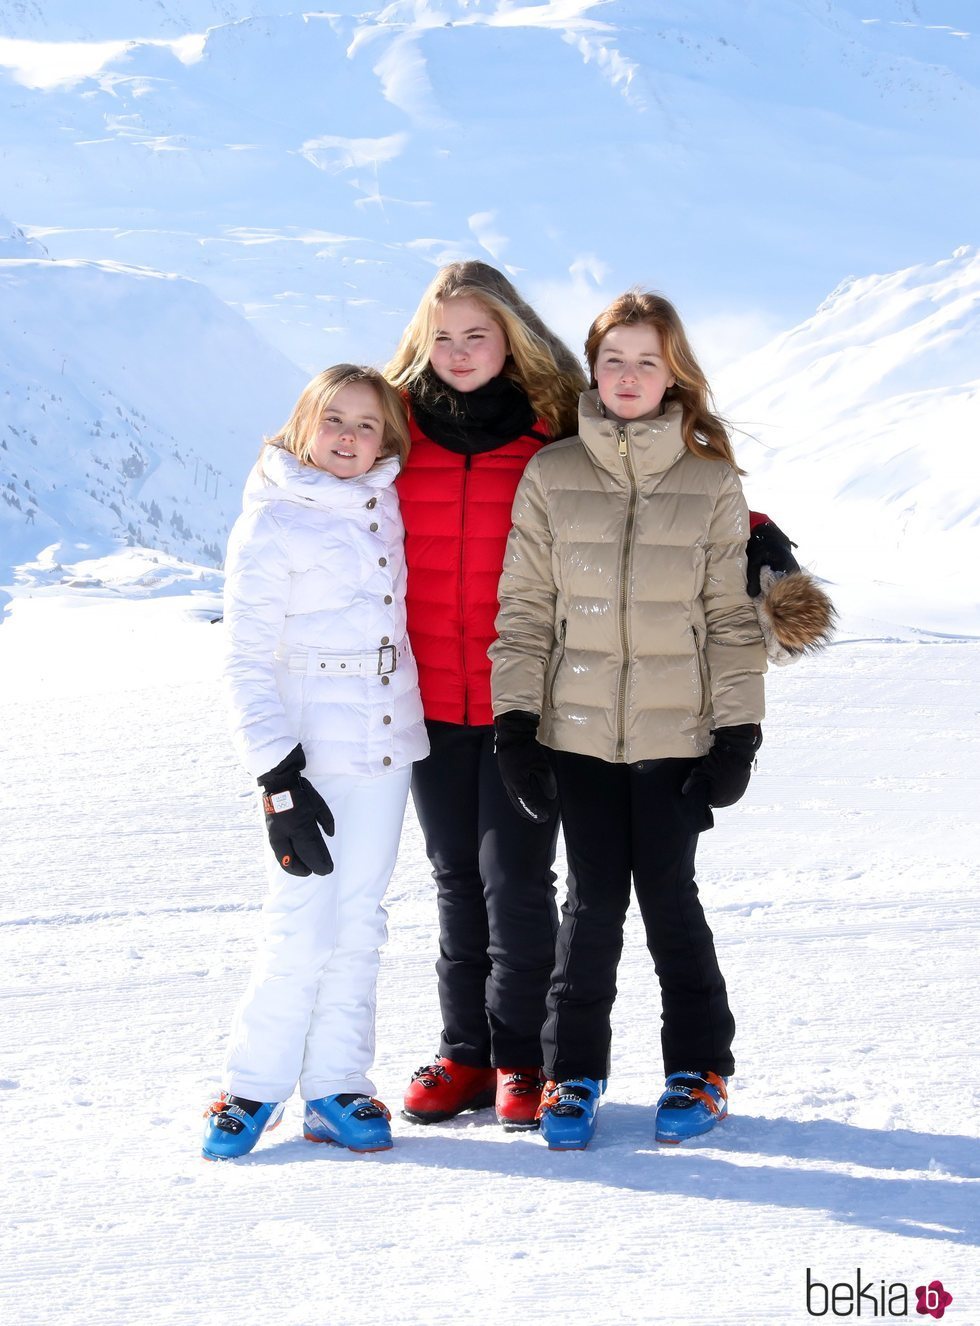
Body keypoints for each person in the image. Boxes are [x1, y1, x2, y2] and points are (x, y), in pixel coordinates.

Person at [489, 290, 769, 1150]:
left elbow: (730, 619)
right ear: (593, 368)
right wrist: (516, 723)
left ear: (673, 372)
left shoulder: (712, 482)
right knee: (592, 903)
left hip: (676, 737)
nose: (629, 376)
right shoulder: (553, 474)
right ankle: (572, 1074)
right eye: (613, 359)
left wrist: (738, 733)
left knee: (668, 900)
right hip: (574, 735)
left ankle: (700, 1067)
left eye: (648, 360)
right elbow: (526, 610)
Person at [202, 364, 428, 1160]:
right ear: (303, 422)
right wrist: (277, 778)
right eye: (334, 419)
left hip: (387, 736)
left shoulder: (392, 504)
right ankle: (254, 1085)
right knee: (301, 918)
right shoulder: (271, 521)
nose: (349, 437)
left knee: (361, 915)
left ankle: (337, 1086)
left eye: (368, 425)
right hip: (308, 748)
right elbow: (243, 661)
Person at [384, 261, 588, 1130]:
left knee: (517, 880)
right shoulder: (395, 433)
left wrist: (761, 543)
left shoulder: (554, 434)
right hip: (425, 697)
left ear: (512, 337)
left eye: (478, 334)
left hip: (524, 702)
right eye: (444, 337)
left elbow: (664, 488)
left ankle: (521, 1060)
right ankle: (464, 1053)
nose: (460, 352)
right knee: (454, 877)